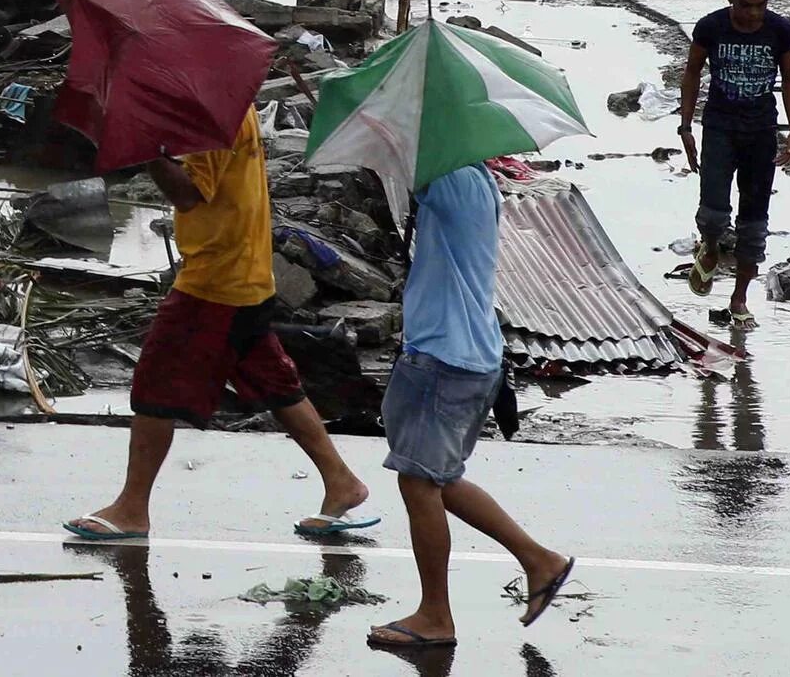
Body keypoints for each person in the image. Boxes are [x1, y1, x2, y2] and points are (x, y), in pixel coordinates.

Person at [64, 107, 375, 543]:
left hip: (216, 281)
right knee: (275, 382)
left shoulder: (214, 116)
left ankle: (132, 508)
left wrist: (148, 149)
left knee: (155, 387)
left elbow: (191, 193)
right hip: (243, 271)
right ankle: (340, 480)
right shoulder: (229, 105)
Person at [369, 163, 574, 651]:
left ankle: (436, 616)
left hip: (445, 357)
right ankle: (538, 560)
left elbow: (407, 168)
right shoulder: (474, 176)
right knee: (439, 479)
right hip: (462, 350)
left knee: (418, 484)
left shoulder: (453, 178)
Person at [679, 0, 790, 328]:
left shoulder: (779, 30)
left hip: (761, 132)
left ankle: (739, 299)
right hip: (719, 127)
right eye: (745, 5)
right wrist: (686, 128)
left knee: (753, 224)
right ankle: (711, 246)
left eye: (760, 5)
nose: (753, 13)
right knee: (714, 213)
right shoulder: (711, 27)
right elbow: (691, 73)